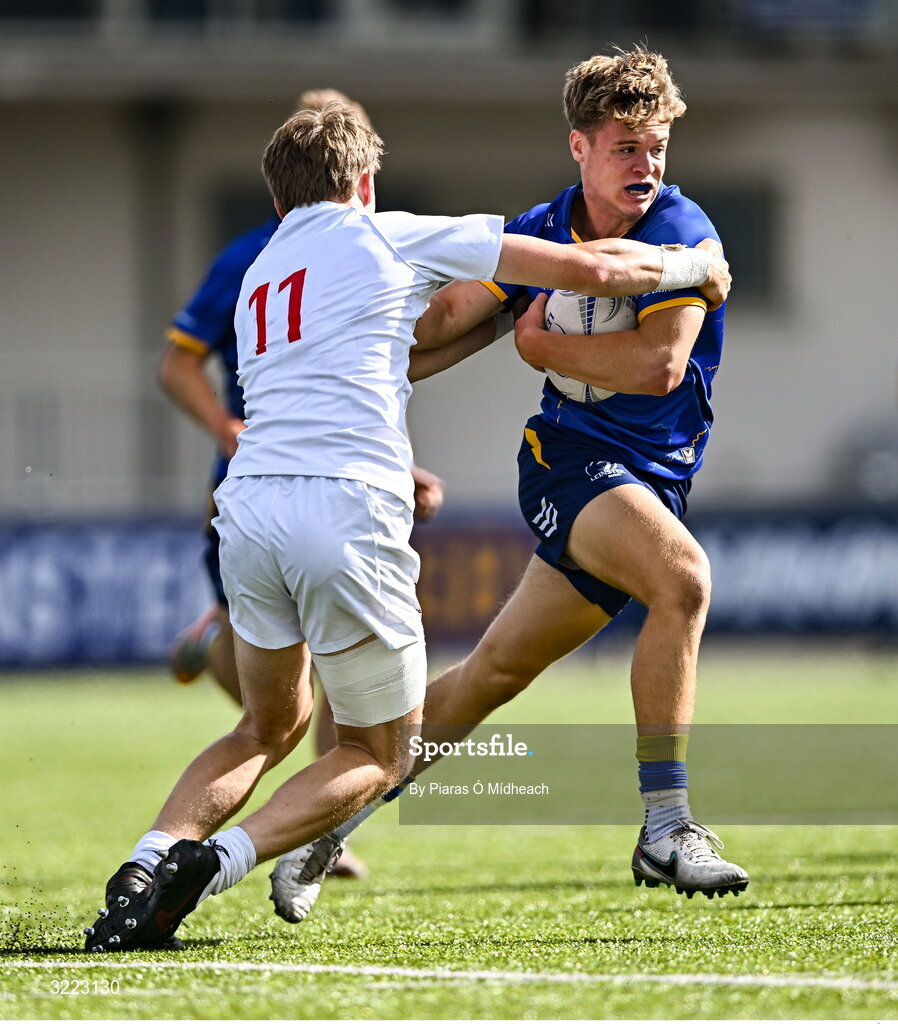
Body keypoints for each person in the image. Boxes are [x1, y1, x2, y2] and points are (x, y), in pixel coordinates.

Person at [81, 99, 729, 953]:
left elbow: (386, 356)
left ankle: (144, 864)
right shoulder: (389, 234)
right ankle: (216, 863)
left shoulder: (261, 276)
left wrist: (499, 327)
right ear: (365, 182)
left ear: (279, 202)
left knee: (264, 728)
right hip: (343, 514)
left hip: (245, 509)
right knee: (380, 752)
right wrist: (692, 269)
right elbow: (595, 274)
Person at [268, 46, 748, 925]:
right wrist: (367, 343)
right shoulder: (543, 222)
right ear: (579, 145)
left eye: (656, 147)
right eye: (624, 147)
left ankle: (325, 825)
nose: (645, 167)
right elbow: (451, 317)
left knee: (488, 676)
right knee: (682, 580)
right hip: (568, 463)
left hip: (651, 477)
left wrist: (540, 345)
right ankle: (668, 825)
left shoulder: (683, 231)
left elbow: (660, 366)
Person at [159, 89, 442, 880]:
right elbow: (178, 360)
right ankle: (219, 649)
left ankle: (319, 826)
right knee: (299, 701)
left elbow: (349, 384)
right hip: (264, 480)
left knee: (314, 681)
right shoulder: (257, 254)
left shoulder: (346, 246)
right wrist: (224, 425)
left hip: (315, 483)